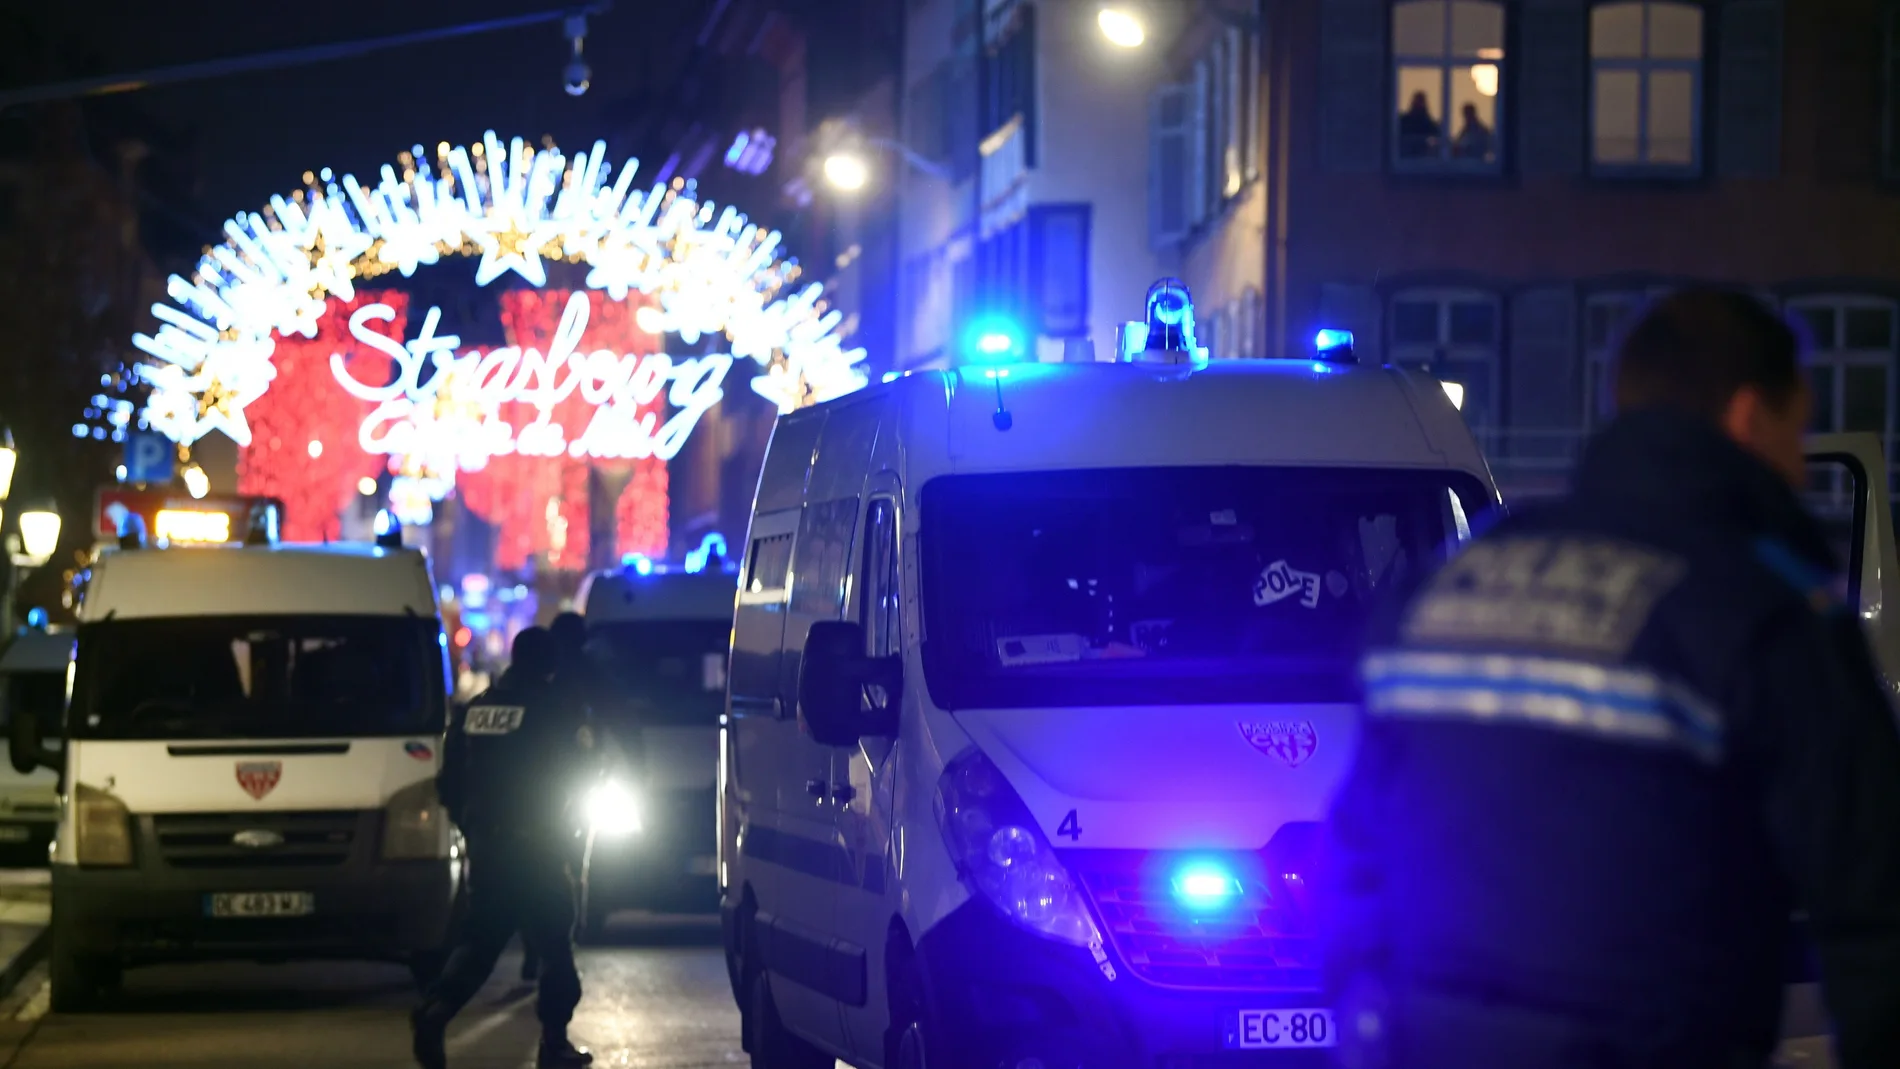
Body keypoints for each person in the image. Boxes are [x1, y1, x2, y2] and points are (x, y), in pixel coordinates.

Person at [1324, 288, 1900, 1068]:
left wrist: (1370, 1017)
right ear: (1746, 416)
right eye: (1796, 429)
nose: (1800, 465)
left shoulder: (1452, 579)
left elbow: (1357, 845)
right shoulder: (1763, 605)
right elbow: (1872, 898)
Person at [413, 627, 594, 1069]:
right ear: (549, 665)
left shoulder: (476, 711)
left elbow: (449, 783)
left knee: (479, 943)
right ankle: (554, 1043)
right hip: (536, 849)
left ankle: (435, 1013)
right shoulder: (551, 710)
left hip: (490, 849)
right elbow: (574, 775)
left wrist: (474, 830)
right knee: (555, 948)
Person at [1397, 91, 1440, 159]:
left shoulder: (1426, 121)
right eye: (1418, 101)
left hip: (1421, 155)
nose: (1419, 104)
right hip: (1406, 154)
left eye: (1421, 102)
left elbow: (1437, 132)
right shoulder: (1405, 120)